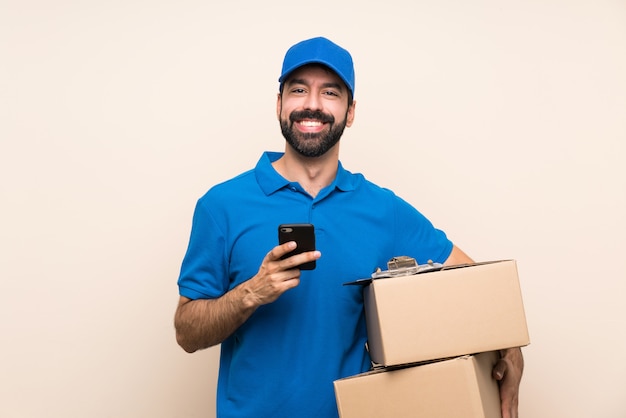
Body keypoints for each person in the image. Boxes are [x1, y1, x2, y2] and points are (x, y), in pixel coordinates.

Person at [174, 36, 524, 418]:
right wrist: (251, 293)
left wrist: (510, 348)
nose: (312, 104)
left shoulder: (383, 209)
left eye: (330, 92)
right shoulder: (221, 206)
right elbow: (187, 333)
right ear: (279, 104)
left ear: (350, 111)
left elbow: (477, 288)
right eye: (298, 90)